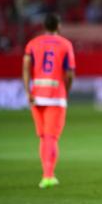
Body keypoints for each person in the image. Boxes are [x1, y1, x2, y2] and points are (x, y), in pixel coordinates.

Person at [22, 13, 76, 188]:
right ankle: (48, 175)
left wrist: (27, 90)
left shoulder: (32, 44)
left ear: (44, 26)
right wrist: (65, 91)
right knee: (51, 137)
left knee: (44, 137)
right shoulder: (65, 44)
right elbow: (69, 73)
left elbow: (25, 68)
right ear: (58, 26)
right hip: (55, 95)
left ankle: (46, 173)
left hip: (36, 94)